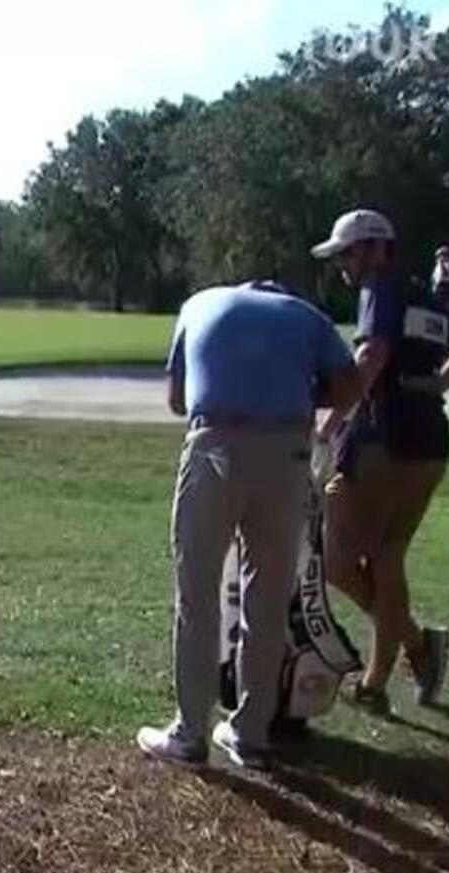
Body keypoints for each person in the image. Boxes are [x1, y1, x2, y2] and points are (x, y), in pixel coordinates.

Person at [138, 280, 359, 769]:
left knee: (197, 592)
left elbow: (177, 399)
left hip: (213, 445)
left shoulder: (198, 302)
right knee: (268, 594)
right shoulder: (305, 312)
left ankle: (190, 735)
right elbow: (350, 385)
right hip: (286, 454)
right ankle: (249, 733)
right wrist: (299, 390)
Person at [313, 213, 449, 713]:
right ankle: (381, 677)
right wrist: (434, 387)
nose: (343, 263)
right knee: (387, 557)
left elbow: (372, 359)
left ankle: (413, 645)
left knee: (338, 561)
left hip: (381, 441)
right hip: (430, 440)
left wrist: (330, 422)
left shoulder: (380, 289)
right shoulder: (421, 294)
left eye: (347, 252)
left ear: (372, 248)